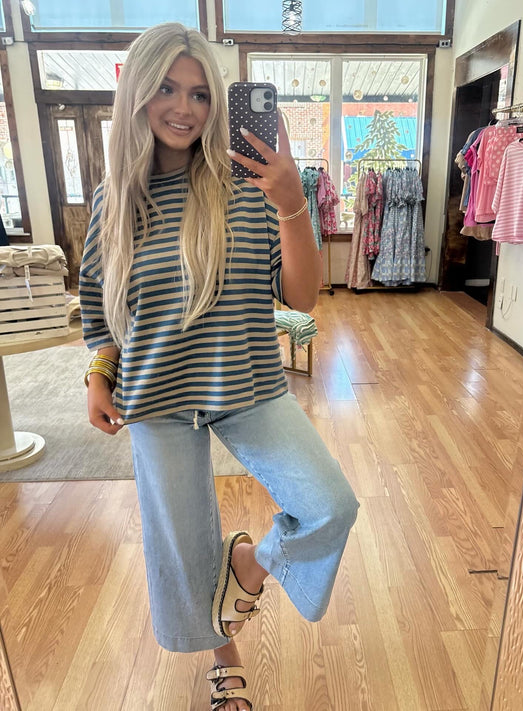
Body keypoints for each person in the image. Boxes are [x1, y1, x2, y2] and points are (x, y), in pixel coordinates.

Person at [79, 22, 359, 711]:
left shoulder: (247, 184)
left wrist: (292, 203)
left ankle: (249, 563)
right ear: (137, 95)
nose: (185, 107)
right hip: (156, 393)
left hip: (247, 382)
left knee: (329, 505)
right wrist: (99, 371)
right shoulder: (114, 198)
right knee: (182, 547)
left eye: (201, 93)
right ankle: (223, 656)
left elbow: (300, 298)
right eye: (167, 89)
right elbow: (101, 300)